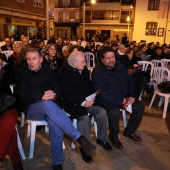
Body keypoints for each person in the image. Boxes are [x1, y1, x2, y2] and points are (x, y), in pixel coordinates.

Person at [16, 47, 96, 170]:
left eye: (34, 59)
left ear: (41, 59)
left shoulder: (48, 71)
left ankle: (57, 163)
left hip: (50, 109)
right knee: (46, 104)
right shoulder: (22, 72)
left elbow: (59, 89)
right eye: (28, 59)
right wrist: (40, 96)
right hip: (32, 109)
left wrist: (52, 93)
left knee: (56, 124)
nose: (31, 62)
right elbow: (22, 94)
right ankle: (79, 137)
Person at [58, 51, 112, 163]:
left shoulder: (84, 70)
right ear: (74, 62)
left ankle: (101, 139)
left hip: (86, 102)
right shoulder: (63, 72)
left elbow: (89, 86)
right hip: (73, 104)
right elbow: (67, 93)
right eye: (83, 62)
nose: (85, 64)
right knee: (84, 118)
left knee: (102, 112)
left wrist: (93, 96)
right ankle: (85, 147)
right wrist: (82, 102)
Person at [92, 46, 144, 150]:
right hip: (105, 100)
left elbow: (130, 82)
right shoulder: (97, 71)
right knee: (114, 112)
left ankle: (129, 131)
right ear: (102, 59)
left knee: (139, 106)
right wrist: (120, 100)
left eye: (112, 57)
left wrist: (132, 96)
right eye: (107, 58)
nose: (111, 60)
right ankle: (113, 137)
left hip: (123, 97)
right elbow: (101, 92)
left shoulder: (120, 66)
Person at [0, 55, 23, 170]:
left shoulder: (6, 72)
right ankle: (16, 162)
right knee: (10, 130)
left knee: (10, 119)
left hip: (8, 104)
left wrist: (7, 67)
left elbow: (17, 79)